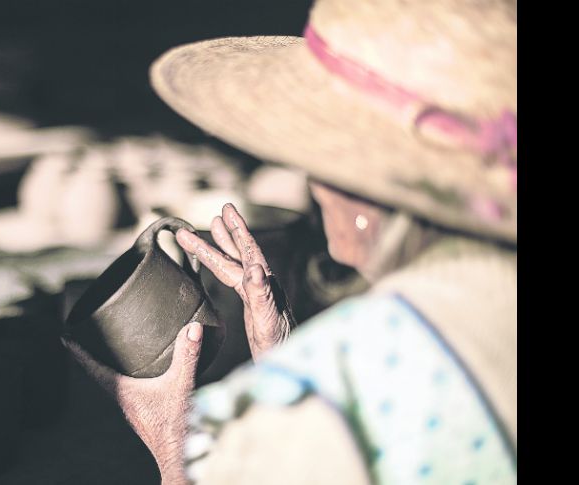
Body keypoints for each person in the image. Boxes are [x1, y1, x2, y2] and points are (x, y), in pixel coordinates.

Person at [63, 0, 517, 483]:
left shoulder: (317, 401)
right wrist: (283, 350)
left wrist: (176, 446)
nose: (312, 186)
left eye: (313, 159)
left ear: (361, 192)